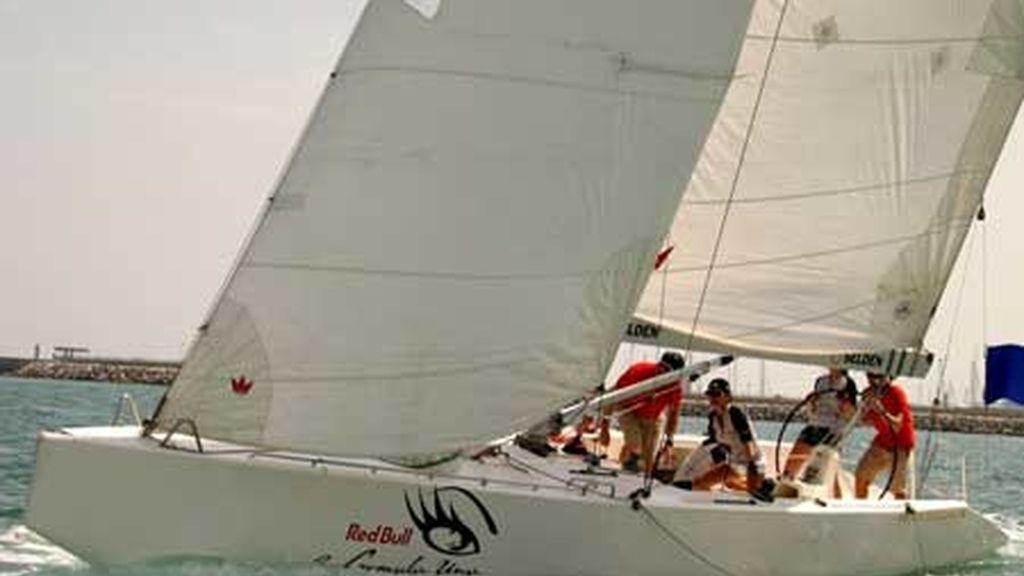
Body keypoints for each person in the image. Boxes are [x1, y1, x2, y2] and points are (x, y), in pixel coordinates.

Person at [673, 378, 772, 500]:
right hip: (734, 463)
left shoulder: (735, 413)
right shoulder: (712, 417)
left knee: (753, 494)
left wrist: (752, 469)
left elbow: (748, 442)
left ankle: (765, 484)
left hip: (753, 462)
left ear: (727, 397)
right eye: (710, 394)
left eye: (717, 394)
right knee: (700, 483)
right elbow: (717, 443)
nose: (713, 398)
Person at [598, 352, 684, 474]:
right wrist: (604, 428)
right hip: (627, 409)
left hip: (652, 417)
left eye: (667, 370)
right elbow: (613, 396)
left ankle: (634, 472)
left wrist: (669, 441)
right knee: (636, 445)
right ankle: (629, 462)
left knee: (649, 460)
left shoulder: (675, 387)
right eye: (661, 366)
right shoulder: (639, 371)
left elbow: (674, 414)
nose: (662, 371)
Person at [782, 367, 858, 481]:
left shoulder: (848, 384)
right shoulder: (821, 381)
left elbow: (851, 414)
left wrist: (844, 403)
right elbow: (813, 407)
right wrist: (811, 401)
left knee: (830, 472)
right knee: (793, 461)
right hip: (814, 425)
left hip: (833, 431)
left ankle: (836, 497)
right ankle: (786, 482)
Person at [855, 372, 916, 500]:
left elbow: (897, 424)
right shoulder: (869, 394)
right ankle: (861, 510)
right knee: (861, 477)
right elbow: (864, 420)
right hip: (882, 442)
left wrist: (881, 410)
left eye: (879, 377)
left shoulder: (896, 393)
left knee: (898, 489)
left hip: (901, 445)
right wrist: (863, 408)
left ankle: (900, 516)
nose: (874, 381)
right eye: (870, 377)